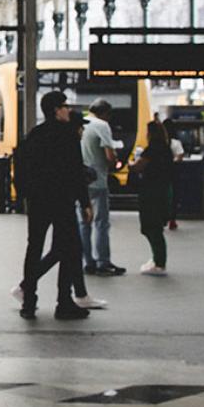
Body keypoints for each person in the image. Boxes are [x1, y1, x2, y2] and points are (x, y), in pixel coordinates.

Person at [14, 111, 107, 311]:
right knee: (68, 248)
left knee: (35, 248)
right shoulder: (67, 136)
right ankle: (64, 301)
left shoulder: (35, 134)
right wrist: (85, 203)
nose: (82, 131)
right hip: (61, 202)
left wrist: (26, 194)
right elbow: (74, 172)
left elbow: (23, 165)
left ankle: (29, 302)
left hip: (37, 202)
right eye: (64, 105)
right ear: (57, 110)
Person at [80, 99, 126, 276]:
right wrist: (115, 161)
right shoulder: (102, 125)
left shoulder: (81, 123)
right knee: (101, 223)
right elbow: (109, 155)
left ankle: (88, 262)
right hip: (98, 181)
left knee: (83, 223)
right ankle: (103, 262)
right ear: (106, 113)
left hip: (81, 181)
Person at [131, 120, 175, 275]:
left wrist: (130, 164)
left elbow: (138, 166)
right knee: (156, 226)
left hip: (151, 192)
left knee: (151, 226)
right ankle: (157, 258)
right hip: (163, 190)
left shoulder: (152, 150)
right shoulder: (166, 149)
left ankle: (159, 262)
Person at [163, 118, 185, 230]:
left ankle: (162, 217)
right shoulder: (176, 143)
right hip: (173, 172)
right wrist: (173, 161)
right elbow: (180, 156)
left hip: (161, 172)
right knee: (174, 195)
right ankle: (172, 219)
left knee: (162, 194)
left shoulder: (160, 142)